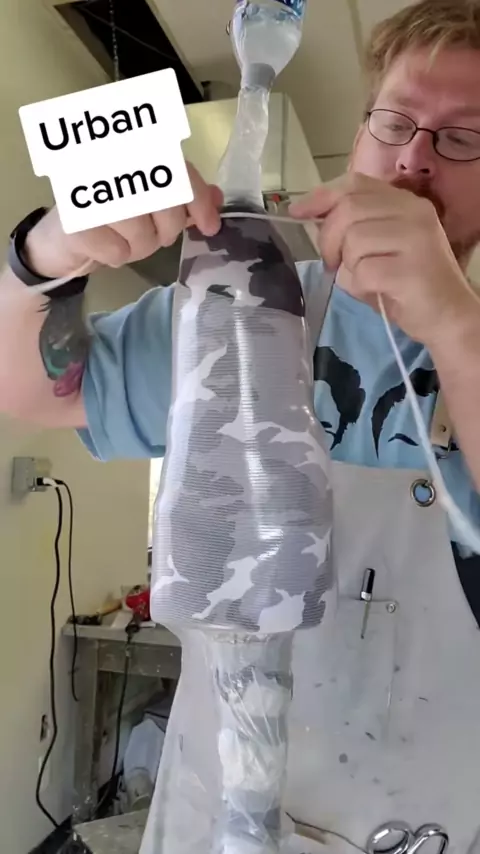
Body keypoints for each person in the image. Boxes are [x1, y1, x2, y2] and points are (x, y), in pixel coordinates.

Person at [3, 0, 480, 849]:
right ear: (360, 136)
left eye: (463, 136)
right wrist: (42, 256)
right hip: (210, 815)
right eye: (395, 121)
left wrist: (455, 324)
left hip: (416, 823)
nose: (413, 157)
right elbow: (33, 393)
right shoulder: (236, 302)